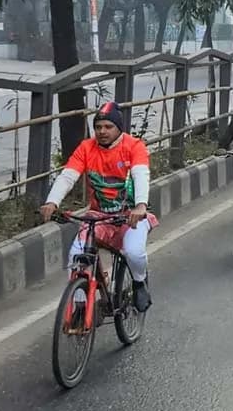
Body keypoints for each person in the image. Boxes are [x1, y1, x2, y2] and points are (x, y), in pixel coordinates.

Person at [40, 102, 157, 312]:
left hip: (130, 216)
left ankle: (139, 283)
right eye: (98, 127)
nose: (102, 132)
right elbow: (68, 176)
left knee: (134, 252)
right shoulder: (86, 147)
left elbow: (141, 175)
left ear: (119, 128)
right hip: (98, 216)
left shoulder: (133, 147)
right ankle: (80, 307)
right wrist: (52, 201)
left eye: (108, 127)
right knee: (77, 256)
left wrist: (140, 206)